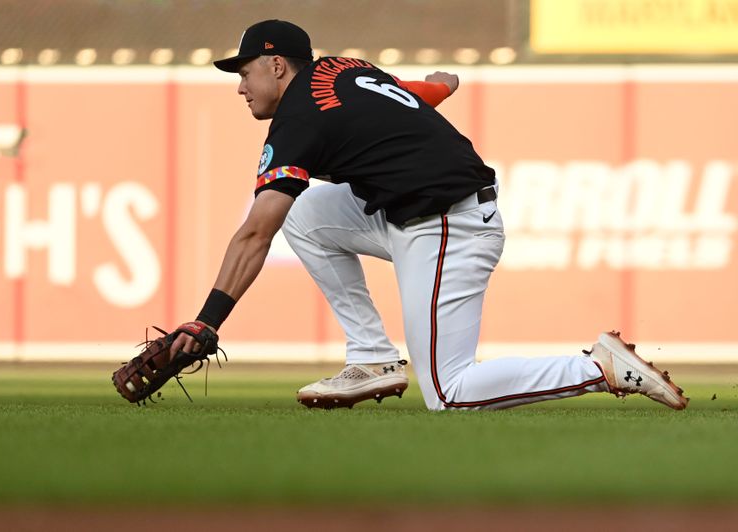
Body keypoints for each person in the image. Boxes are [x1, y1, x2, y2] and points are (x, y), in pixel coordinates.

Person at [170, 19, 688, 411]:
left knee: (448, 390)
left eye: (244, 72)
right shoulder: (343, 68)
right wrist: (443, 86)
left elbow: (257, 231)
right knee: (305, 217)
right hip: (415, 212)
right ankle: (371, 357)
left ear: (276, 64)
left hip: (447, 224)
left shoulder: (298, 119)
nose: (240, 86)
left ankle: (599, 368)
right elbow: (408, 98)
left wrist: (206, 320)